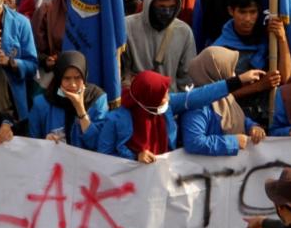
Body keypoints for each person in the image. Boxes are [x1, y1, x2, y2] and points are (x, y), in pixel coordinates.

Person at [93, 68, 270, 160]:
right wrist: (134, 157)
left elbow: (200, 95)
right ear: (148, 99)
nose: (167, 97)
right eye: (161, 94)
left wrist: (238, 81)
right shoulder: (115, 120)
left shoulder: (168, 105)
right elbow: (104, 158)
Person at [180, 47, 275, 156]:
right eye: (230, 69)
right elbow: (194, 142)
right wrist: (232, 142)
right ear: (215, 72)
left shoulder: (226, 97)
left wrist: (252, 127)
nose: (234, 75)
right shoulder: (197, 107)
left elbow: (238, 118)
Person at [27, 51, 109, 148]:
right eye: (66, 78)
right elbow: (31, 144)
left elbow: (99, 144)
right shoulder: (42, 103)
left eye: (77, 77)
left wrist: (80, 108)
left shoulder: (96, 99)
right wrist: (45, 142)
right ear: (58, 77)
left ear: (84, 75)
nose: (73, 84)